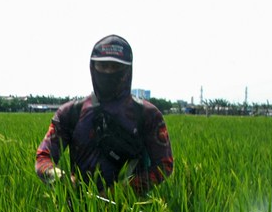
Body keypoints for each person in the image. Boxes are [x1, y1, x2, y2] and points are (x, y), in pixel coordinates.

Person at [34, 34, 173, 195]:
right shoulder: (71, 112)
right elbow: (43, 158)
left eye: (115, 66)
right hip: (80, 206)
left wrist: (121, 192)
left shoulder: (147, 114)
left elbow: (165, 165)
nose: (108, 72)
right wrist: (60, 178)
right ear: (93, 67)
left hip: (132, 207)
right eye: (103, 65)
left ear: (128, 69)